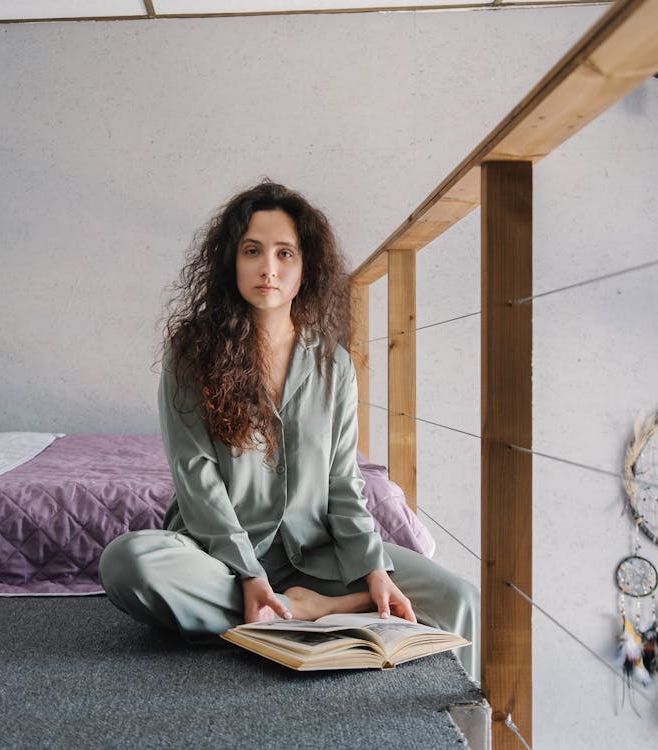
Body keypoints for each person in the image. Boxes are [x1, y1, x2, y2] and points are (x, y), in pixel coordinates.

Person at [99, 180, 479, 680]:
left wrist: (374, 571)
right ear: (230, 261)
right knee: (127, 563)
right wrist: (249, 574)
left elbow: (344, 483)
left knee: (460, 598)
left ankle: (302, 612)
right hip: (218, 557)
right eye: (253, 251)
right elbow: (196, 477)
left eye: (285, 253)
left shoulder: (334, 366)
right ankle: (308, 611)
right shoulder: (190, 353)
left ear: (307, 268)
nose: (268, 268)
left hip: (320, 557)